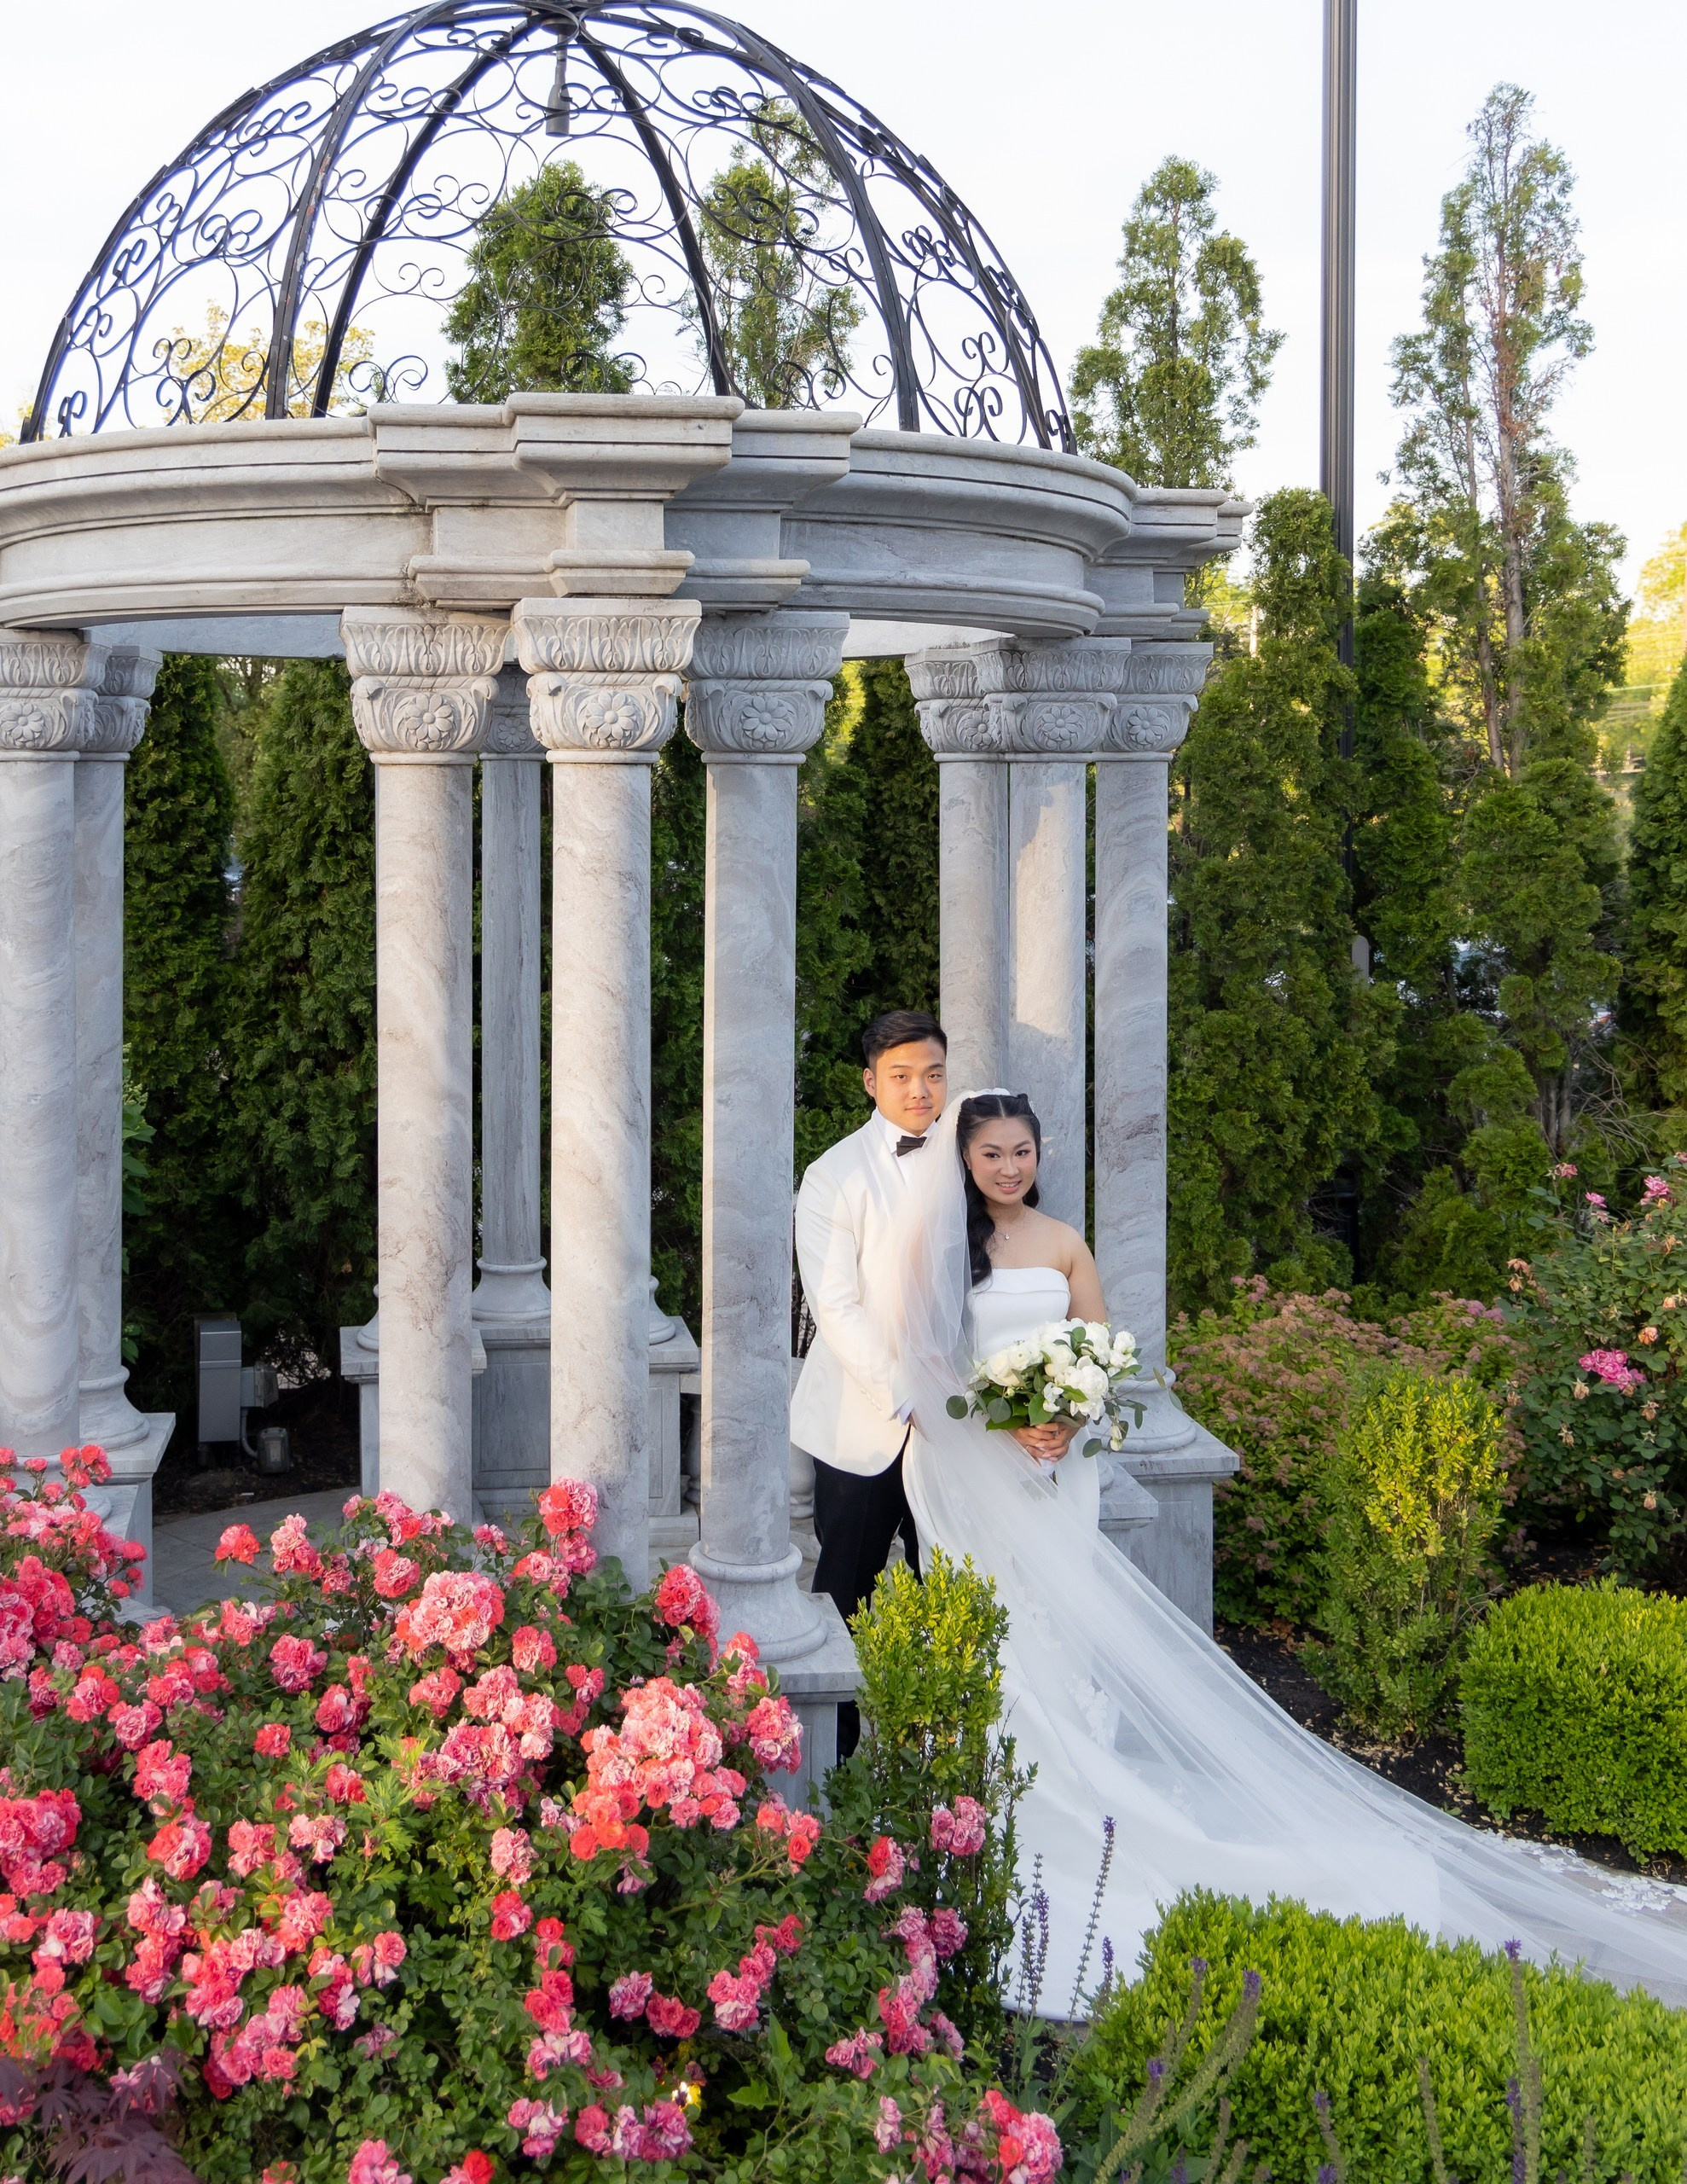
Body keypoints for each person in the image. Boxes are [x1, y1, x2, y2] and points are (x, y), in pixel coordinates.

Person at [885, 1089, 1687, 2018]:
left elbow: (1103, 1355)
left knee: (1059, 1634)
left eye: (1021, 1151)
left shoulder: (1065, 1241)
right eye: (992, 1154)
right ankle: (1002, 1802)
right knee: (998, 1630)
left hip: (1059, 1470)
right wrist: (1002, 1423)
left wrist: (1067, 1415)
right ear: (966, 1160)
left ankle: (1068, 1790)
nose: (1009, 1168)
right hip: (981, 1473)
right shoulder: (944, 1251)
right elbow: (927, 1369)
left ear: (1038, 1152)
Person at [790, 1010, 948, 1754]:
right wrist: (904, 1393)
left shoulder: (970, 1157)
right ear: (870, 1082)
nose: (920, 1089)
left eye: (933, 1073)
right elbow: (836, 1308)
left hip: (958, 1425)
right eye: (902, 1076)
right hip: (859, 1422)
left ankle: (940, 1740)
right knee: (845, 1587)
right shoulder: (832, 1175)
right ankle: (838, 1752)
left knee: (947, 1584)